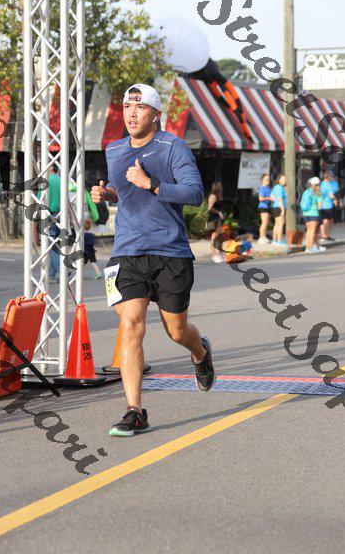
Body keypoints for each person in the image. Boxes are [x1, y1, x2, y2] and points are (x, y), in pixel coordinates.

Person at [90, 83, 214, 437]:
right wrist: (108, 194)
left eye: (140, 107)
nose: (131, 113)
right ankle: (135, 411)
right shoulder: (114, 149)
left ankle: (200, 352)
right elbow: (124, 193)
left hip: (170, 251)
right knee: (130, 326)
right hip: (127, 250)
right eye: (127, 107)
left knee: (177, 331)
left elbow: (194, 193)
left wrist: (153, 184)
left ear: (155, 114)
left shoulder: (173, 147)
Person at [300, 177, 325, 254]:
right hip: (314, 213)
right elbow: (320, 206)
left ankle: (307, 248)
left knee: (308, 231)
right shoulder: (317, 193)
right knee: (312, 231)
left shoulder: (306, 191)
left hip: (305, 213)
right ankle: (310, 248)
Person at [206, 181, 225, 263]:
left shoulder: (218, 196)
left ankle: (220, 253)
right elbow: (209, 208)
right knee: (214, 236)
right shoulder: (213, 196)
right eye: (220, 187)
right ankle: (214, 255)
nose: (222, 188)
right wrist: (218, 212)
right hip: (213, 218)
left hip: (217, 218)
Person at [319, 172, 339, 241]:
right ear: (328, 177)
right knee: (328, 220)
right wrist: (336, 200)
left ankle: (322, 234)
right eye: (331, 176)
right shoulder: (328, 185)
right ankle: (326, 235)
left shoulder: (321, 184)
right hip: (328, 205)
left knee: (323, 220)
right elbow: (331, 195)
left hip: (321, 205)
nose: (331, 177)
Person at [270, 174, 287, 246]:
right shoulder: (280, 188)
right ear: (279, 180)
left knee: (276, 224)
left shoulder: (275, 187)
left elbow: (271, 197)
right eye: (283, 179)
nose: (284, 181)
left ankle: (274, 240)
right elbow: (280, 199)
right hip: (280, 207)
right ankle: (279, 241)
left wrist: (275, 201)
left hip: (275, 207)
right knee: (280, 224)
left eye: (285, 179)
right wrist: (282, 209)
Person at [257, 173, 271, 244]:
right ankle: (261, 237)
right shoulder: (262, 187)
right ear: (262, 180)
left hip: (268, 206)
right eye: (266, 179)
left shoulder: (268, 187)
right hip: (263, 206)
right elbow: (260, 198)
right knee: (264, 222)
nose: (268, 180)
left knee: (267, 223)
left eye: (268, 179)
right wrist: (269, 198)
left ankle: (264, 237)